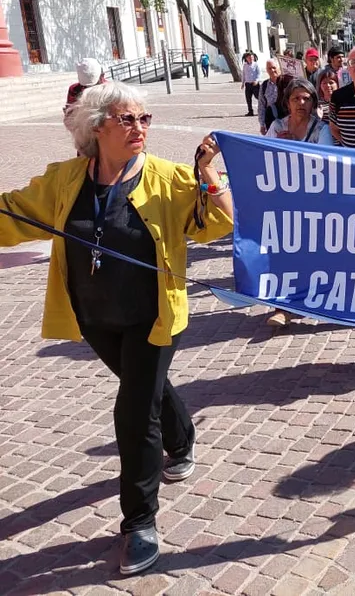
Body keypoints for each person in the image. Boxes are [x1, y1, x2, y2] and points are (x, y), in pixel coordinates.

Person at [0, 83, 233, 575]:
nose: (140, 128)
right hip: (95, 317)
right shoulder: (65, 180)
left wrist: (208, 175)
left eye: (145, 119)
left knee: (132, 414)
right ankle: (184, 439)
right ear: (97, 127)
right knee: (144, 390)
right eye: (129, 119)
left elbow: (218, 223)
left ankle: (139, 523)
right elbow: (15, 214)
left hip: (153, 318)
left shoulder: (168, 178)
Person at [264, 78, 333, 328]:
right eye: (296, 98)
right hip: (284, 201)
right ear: (287, 102)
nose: (301, 103)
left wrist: (292, 149)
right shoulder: (277, 125)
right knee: (286, 254)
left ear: (314, 102)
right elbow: (263, 156)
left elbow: (326, 162)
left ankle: (317, 299)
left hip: (316, 202)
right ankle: (283, 306)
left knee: (316, 254)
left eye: (306, 98)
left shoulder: (321, 129)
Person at [65, 58, 107, 129]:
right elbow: (69, 117)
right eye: (87, 86)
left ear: (102, 75)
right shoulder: (74, 89)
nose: (90, 88)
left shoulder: (110, 90)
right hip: (83, 131)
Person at [258, 59, 283, 135]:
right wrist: (262, 125)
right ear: (266, 70)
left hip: (285, 119)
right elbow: (261, 105)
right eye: (269, 68)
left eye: (274, 67)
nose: (272, 70)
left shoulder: (286, 82)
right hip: (270, 120)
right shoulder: (264, 85)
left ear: (279, 68)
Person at [240, 52, 260, 117]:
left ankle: (262, 109)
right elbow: (244, 75)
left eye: (252, 57)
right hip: (248, 84)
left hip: (255, 84)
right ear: (246, 58)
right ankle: (250, 111)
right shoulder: (245, 65)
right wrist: (243, 83)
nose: (251, 58)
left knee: (259, 97)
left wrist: (257, 80)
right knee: (248, 98)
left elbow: (259, 74)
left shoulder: (256, 64)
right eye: (249, 57)